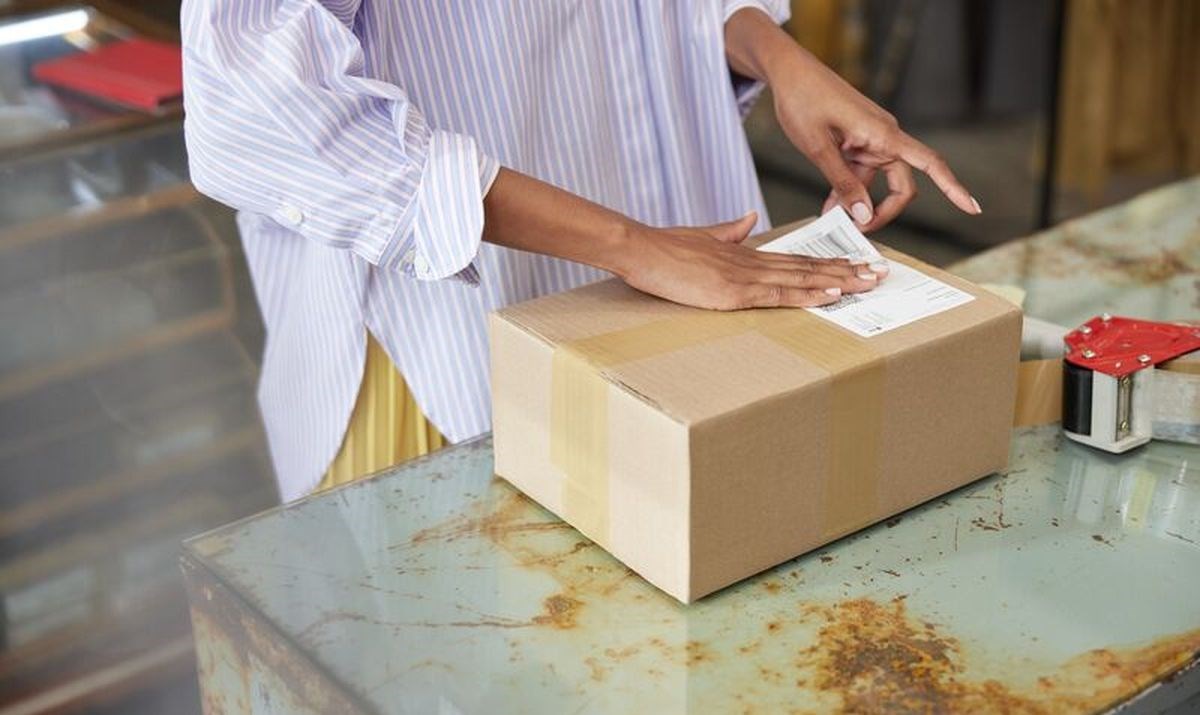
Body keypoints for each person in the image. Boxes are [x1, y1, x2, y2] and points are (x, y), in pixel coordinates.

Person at [181, 1, 979, 501]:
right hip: (449, 339)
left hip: (692, 280)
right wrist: (629, 245)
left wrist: (777, 55)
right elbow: (263, 110)